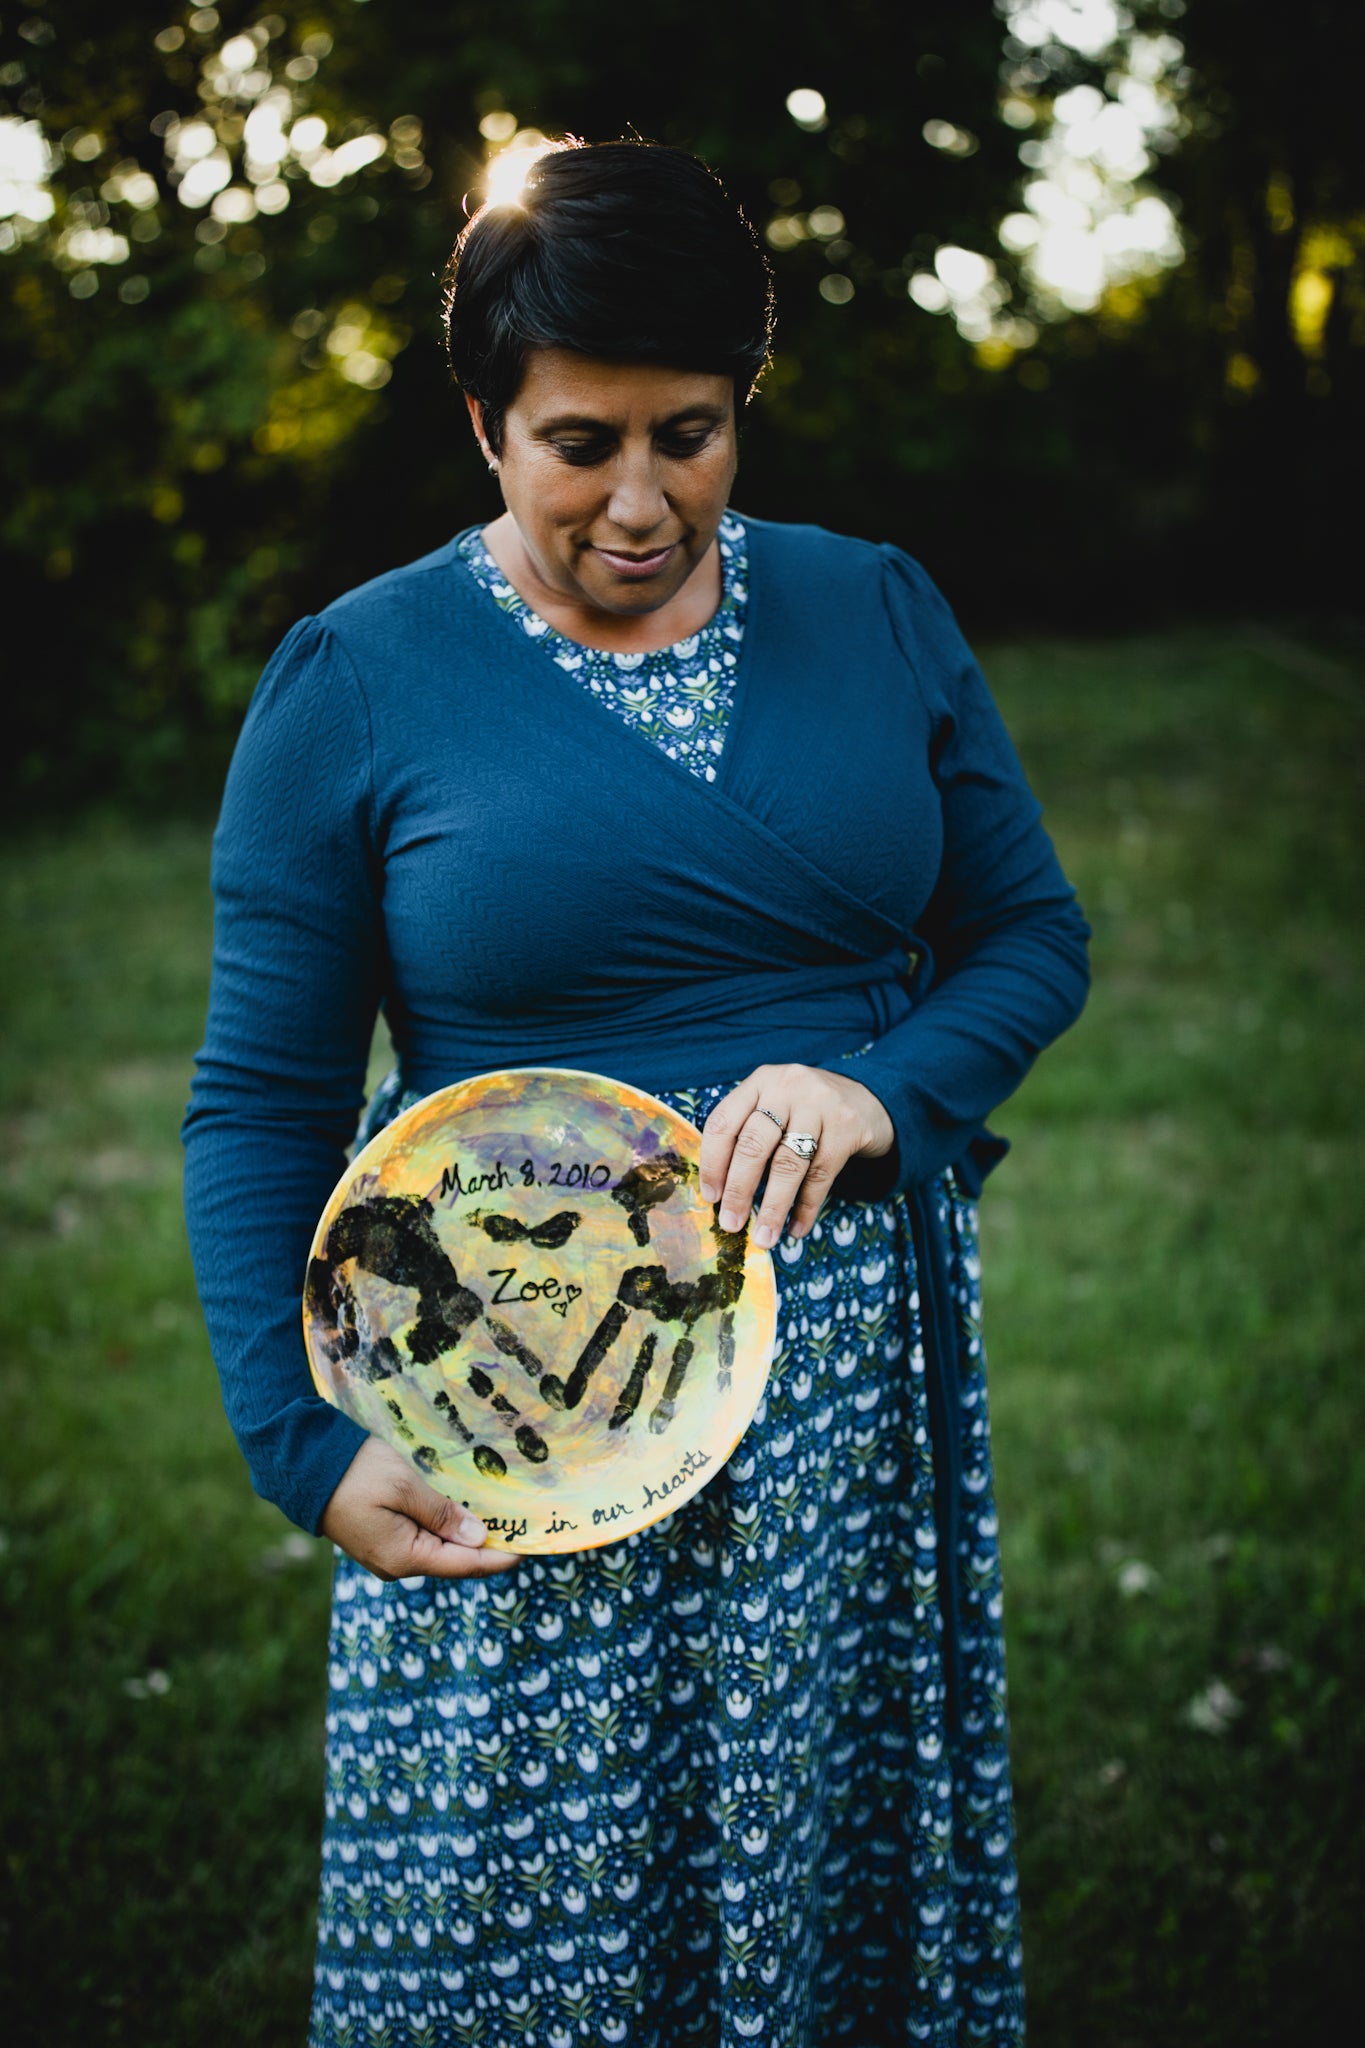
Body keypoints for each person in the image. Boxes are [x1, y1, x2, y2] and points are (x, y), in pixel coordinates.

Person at [183, 138, 1089, 2048]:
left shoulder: (874, 606)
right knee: (540, 1898)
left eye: (691, 435)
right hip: (521, 1379)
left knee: (815, 1859)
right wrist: (297, 1440)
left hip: (844, 1384)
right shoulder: (356, 680)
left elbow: (1026, 934)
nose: (640, 501)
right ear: (483, 424)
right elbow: (262, 1101)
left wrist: (886, 1092)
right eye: (577, 444)